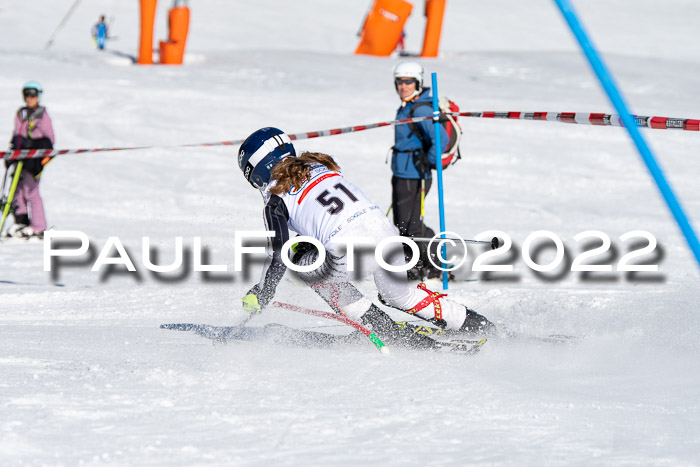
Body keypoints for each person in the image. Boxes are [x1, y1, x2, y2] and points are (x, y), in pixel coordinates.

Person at [237, 127, 494, 349]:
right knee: (400, 296)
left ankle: (386, 332)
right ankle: (476, 324)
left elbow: (278, 254)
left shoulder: (276, 199)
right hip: (387, 235)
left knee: (300, 258)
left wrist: (263, 292)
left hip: (351, 249)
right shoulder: (323, 163)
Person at [390, 61, 450, 281]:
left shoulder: (422, 108)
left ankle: (433, 265)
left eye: (408, 82)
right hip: (401, 172)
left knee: (411, 225)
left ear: (418, 82)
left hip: (415, 175)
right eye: (400, 82)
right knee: (403, 224)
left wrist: (430, 161)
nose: (403, 86)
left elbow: (441, 139)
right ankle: (419, 264)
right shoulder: (407, 105)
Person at [4, 81, 54, 239]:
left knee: (31, 192)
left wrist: (34, 148)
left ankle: (39, 226)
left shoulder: (42, 115)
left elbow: (50, 140)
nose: (30, 98)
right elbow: (17, 133)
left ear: (39, 96)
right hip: (20, 158)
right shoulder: (21, 113)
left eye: (33, 95)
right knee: (17, 190)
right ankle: (21, 221)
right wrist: (12, 152)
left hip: (34, 160)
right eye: (27, 94)